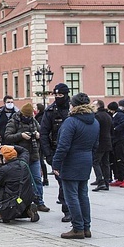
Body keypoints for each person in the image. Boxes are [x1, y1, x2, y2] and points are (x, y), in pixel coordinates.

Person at [52, 93, 99, 239]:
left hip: (71, 160)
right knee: (83, 194)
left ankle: (77, 227)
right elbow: (96, 145)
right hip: (86, 159)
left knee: (71, 195)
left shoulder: (71, 122)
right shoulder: (94, 122)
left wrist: (56, 163)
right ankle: (86, 227)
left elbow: (63, 146)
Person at [1, 102, 49, 212]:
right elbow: (7, 136)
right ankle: (23, 203)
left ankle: (39, 201)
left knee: (37, 179)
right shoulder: (14, 121)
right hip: (20, 157)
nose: (28, 118)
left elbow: (42, 131)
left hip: (34, 155)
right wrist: (20, 135)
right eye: (26, 116)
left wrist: (38, 134)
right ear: (22, 114)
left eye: (30, 116)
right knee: (21, 181)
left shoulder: (34, 121)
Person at [40, 83, 73, 222]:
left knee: (74, 182)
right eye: (56, 95)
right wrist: (48, 153)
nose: (58, 97)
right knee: (62, 181)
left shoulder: (73, 109)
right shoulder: (50, 111)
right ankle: (67, 209)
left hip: (73, 151)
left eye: (61, 95)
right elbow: (44, 133)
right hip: (56, 151)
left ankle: (74, 208)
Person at [0, 145, 39, 223]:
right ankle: (28, 209)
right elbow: (25, 150)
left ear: (4, 157)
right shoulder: (23, 162)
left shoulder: (4, 169)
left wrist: (0, 163)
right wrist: (12, 147)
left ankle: (0, 214)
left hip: (12, 199)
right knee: (20, 197)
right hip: (27, 197)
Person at [107, 101, 124, 188]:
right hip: (116, 140)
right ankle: (119, 178)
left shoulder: (120, 115)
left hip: (121, 140)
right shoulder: (115, 115)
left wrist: (115, 128)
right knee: (116, 161)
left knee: (121, 160)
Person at [91, 100, 113, 191]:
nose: (92, 108)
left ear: (98, 106)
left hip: (100, 142)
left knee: (95, 162)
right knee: (106, 163)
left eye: (93, 106)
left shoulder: (97, 116)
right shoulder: (108, 116)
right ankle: (106, 183)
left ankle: (100, 181)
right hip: (107, 142)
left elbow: (95, 130)